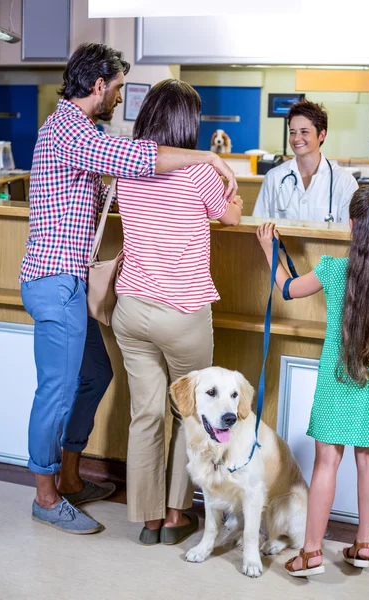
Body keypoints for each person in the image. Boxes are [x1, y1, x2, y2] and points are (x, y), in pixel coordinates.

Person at [19, 43, 237, 535]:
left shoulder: (88, 137)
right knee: (56, 392)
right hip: (57, 284)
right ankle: (46, 496)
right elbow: (136, 156)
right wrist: (209, 158)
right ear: (99, 85)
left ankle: (75, 478)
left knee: (98, 380)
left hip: (94, 293)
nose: (120, 98)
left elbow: (127, 171)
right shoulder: (70, 131)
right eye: (117, 88)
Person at [112, 79, 243, 545]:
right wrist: (235, 198)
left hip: (131, 311)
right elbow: (231, 217)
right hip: (182, 313)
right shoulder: (200, 172)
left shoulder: (128, 167)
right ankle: (174, 516)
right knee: (193, 415)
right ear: (189, 123)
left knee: (145, 415)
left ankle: (146, 521)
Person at [257, 185, 369, 576]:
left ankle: (312, 552)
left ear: (352, 226)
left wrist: (270, 248)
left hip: (339, 381)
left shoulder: (335, 270)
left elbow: (287, 289)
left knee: (326, 463)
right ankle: (365, 545)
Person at [252, 99, 358, 222]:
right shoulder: (274, 177)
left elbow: (352, 234)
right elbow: (258, 224)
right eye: (292, 132)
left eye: (304, 132)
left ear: (321, 135)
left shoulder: (344, 181)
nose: (296, 138)